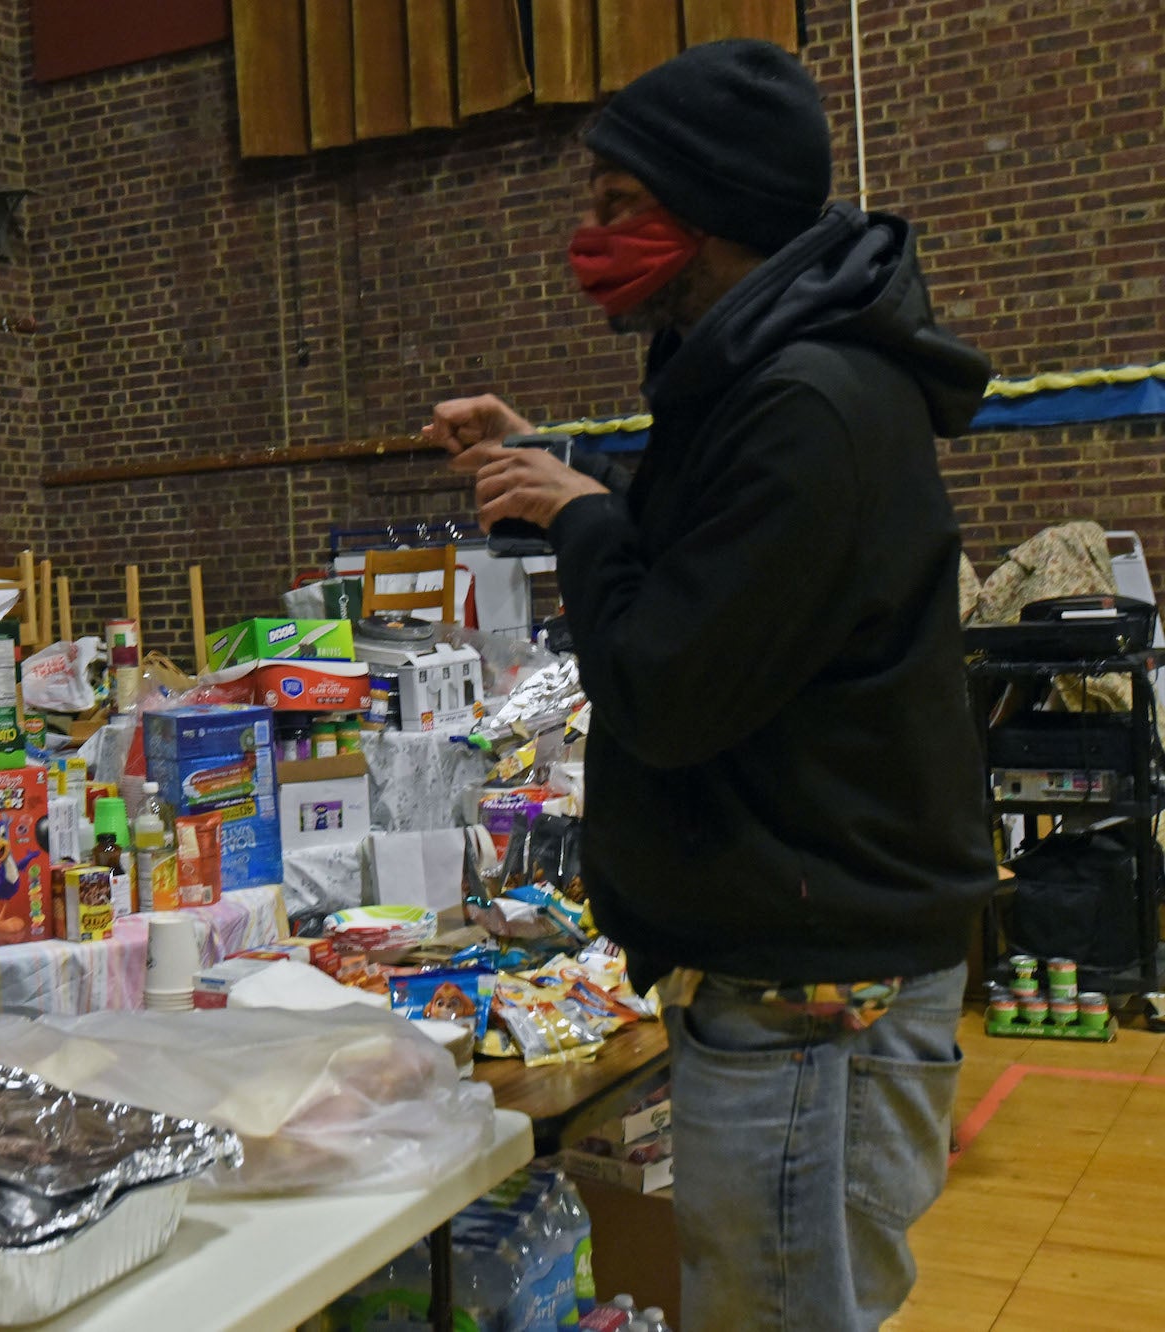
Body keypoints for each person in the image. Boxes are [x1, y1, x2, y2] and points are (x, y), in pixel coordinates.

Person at [426, 40, 997, 1331]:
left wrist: (580, 520)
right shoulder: (765, 380)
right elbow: (719, 574)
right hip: (798, 959)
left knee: (777, 1313)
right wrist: (558, 472)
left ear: (716, 214)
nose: (590, 239)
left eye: (620, 208)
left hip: (809, 981)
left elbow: (667, 685)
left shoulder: (807, 402)